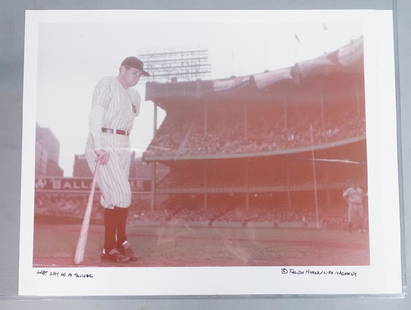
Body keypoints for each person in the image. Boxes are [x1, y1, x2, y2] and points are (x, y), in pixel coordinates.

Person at [85, 56, 149, 263]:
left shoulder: (134, 96)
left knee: (113, 199)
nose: (137, 77)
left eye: (140, 75)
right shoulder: (107, 83)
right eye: (134, 73)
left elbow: (130, 117)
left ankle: (109, 249)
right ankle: (121, 241)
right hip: (104, 140)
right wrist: (98, 146)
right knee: (123, 193)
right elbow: (96, 113)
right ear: (122, 69)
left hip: (123, 143)